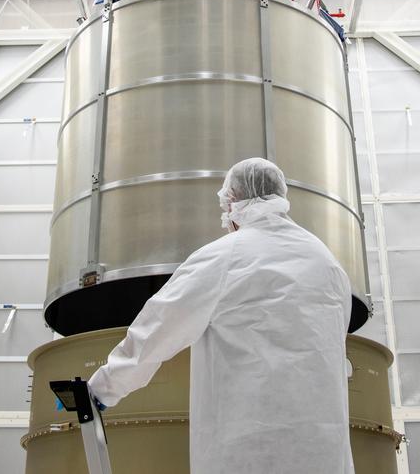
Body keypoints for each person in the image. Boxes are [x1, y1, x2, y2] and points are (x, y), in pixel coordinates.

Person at [88, 157, 355, 474]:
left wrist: (100, 389)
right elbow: (335, 347)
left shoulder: (227, 255)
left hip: (249, 449)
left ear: (232, 201)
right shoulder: (326, 261)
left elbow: (159, 327)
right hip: (321, 450)